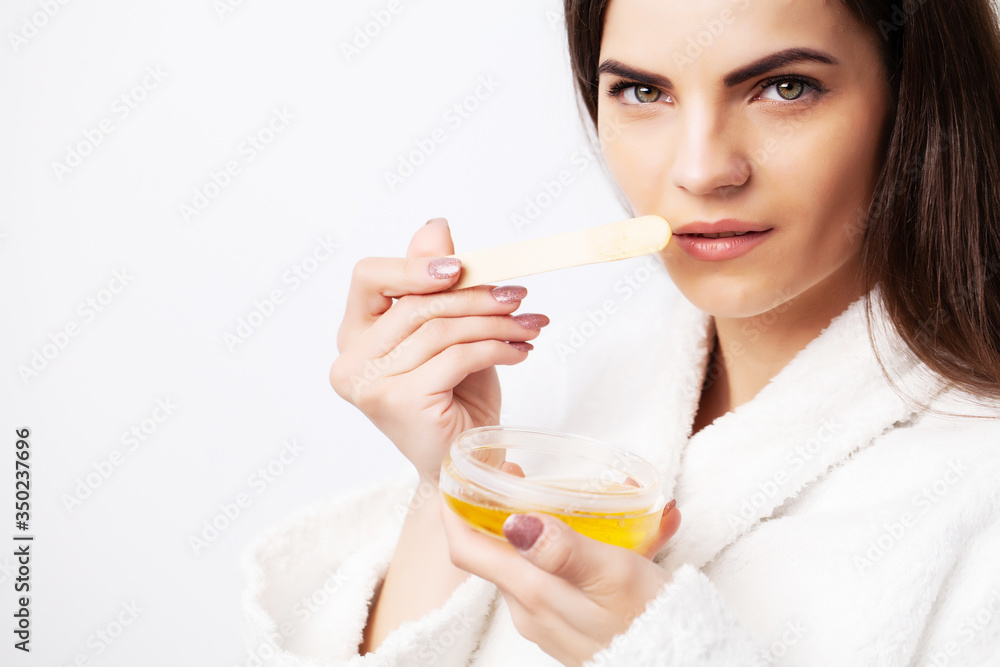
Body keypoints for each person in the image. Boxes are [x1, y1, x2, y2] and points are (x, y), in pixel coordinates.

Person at [240, 0, 1000, 664]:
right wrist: (457, 473)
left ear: (914, 97)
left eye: (784, 87)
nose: (701, 170)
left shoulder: (975, 488)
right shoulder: (580, 393)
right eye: (643, 92)